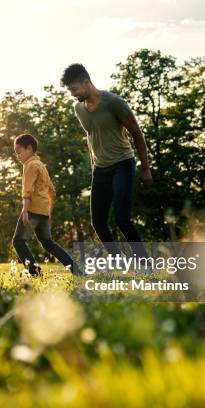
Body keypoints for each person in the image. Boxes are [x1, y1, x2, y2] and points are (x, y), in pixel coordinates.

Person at [61, 63, 153, 261]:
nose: (72, 94)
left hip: (123, 164)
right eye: (70, 90)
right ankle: (119, 262)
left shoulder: (114, 102)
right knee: (98, 223)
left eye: (74, 89)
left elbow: (136, 133)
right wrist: (94, 165)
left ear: (86, 82)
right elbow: (92, 136)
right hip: (100, 170)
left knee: (122, 218)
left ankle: (145, 263)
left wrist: (145, 169)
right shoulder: (79, 108)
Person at [12, 134, 81, 276]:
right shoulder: (41, 166)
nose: (18, 156)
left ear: (29, 148)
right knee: (48, 243)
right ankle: (77, 270)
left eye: (19, 152)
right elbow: (51, 190)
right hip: (43, 210)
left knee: (18, 241)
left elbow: (27, 191)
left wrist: (25, 211)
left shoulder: (30, 165)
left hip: (32, 209)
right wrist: (48, 211)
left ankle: (35, 273)